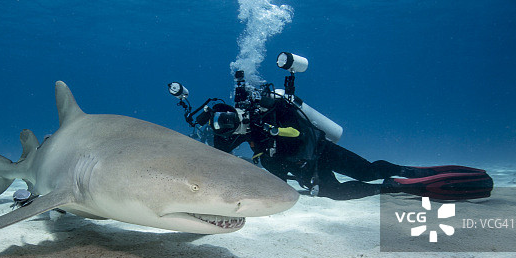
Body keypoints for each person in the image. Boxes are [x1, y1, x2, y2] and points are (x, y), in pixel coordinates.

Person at [206, 88, 493, 201]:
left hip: (319, 151)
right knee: (334, 193)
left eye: (229, 121)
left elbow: (299, 132)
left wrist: (273, 129)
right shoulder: (245, 129)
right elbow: (220, 154)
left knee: (367, 171)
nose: (231, 127)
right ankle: (394, 186)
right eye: (224, 124)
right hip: (304, 169)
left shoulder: (270, 111)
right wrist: (215, 134)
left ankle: (413, 172)